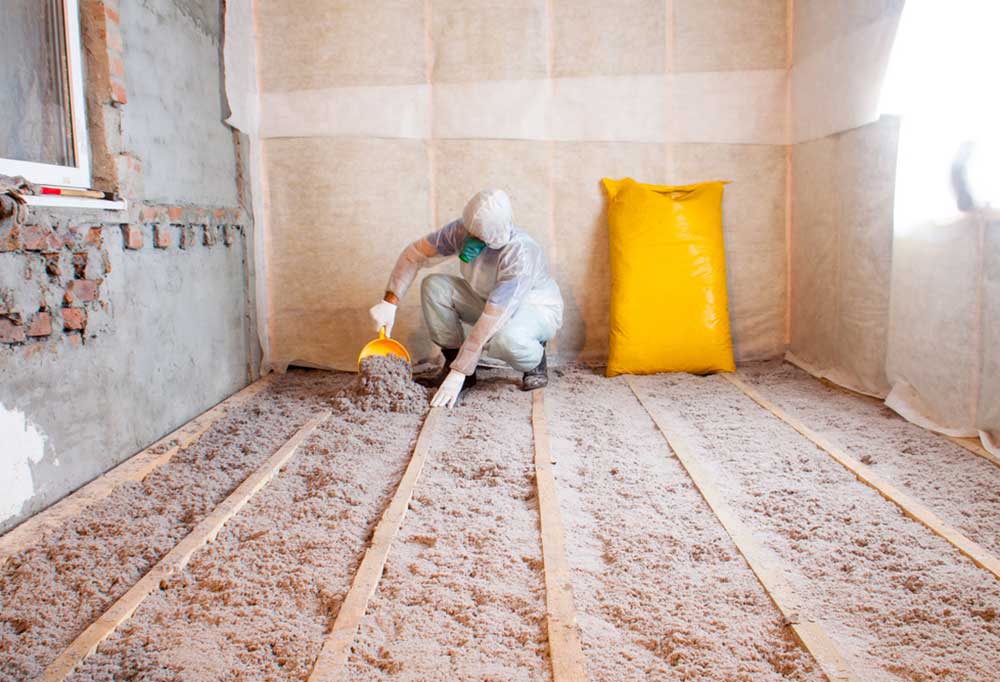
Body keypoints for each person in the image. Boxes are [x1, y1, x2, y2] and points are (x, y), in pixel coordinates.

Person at [369, 189, 563, 408]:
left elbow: (494, 313)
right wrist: (389, 302)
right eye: (471, 232)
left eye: (479, 237)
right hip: (486, 298)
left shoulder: (520, 253)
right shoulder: (462, 230)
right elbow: (414, 254)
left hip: (533, 308)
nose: (470, 239)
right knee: (435, 287)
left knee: (507, 340)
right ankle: (454, 361)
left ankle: (535, 360)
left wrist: (460, 370)